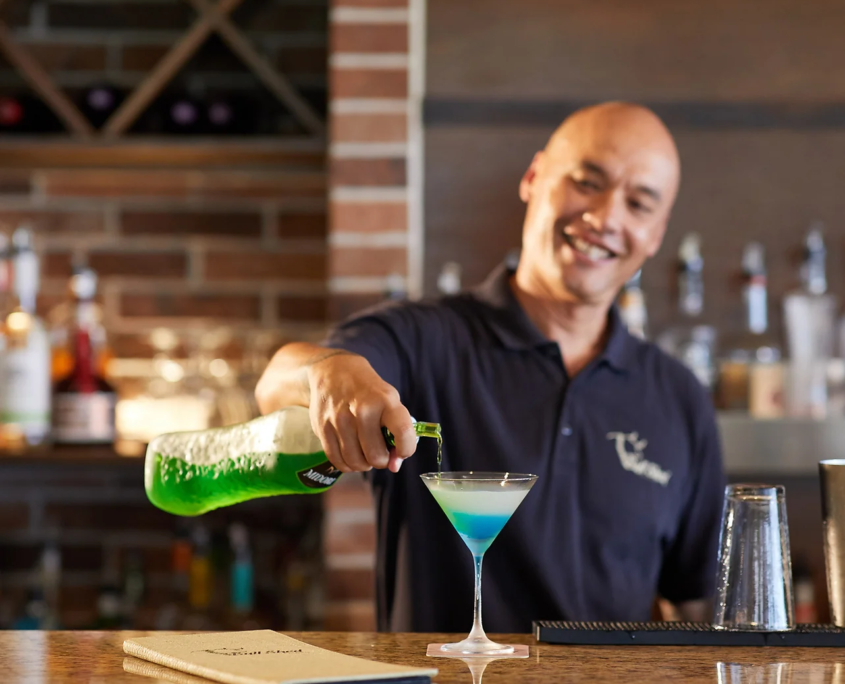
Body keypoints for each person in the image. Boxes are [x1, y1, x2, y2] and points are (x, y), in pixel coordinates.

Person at [256, 102, 726, 633]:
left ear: (658, 233)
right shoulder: (424, 341)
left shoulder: (679, 397)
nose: (607, 217)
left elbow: (699, 608)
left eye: (639, 204)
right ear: (533, 177)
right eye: (587, 181)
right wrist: (329, 376)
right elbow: (279, 381)